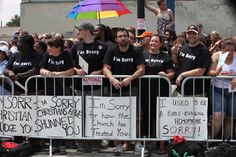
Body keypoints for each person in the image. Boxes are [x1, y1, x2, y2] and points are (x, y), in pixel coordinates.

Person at [103, 28, 148, 156]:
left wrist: (130, 78)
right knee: (116, 117)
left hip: (131, 88)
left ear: (129, 38)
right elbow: (106, 68)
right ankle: (118, 145)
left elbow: (141, 69)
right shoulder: (111, 50)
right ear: (116, 39)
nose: (123, 38)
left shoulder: (136, 51)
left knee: (136, 117)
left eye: (125, 36)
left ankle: (138, 143)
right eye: (120, 36)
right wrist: (112, 79)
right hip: (114, 89)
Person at [71, 22, 107, 153]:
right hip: (79, 87)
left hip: (97, 86)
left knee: (95, 114)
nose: (77, 32)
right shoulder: (76, 46)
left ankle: (95, 142)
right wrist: (76, 70)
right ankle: (82, 142)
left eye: (79, 30)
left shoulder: (102, 46)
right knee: (81, 114)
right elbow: (72, 65)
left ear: (86, 31)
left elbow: (107, 65)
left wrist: (99, 71)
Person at [141, 34, 175, 154]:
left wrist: (166, 75)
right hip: (145, 91)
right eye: (151, 41)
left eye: (156, 42)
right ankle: (145, 145)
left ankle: (162, 146)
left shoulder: (165, 56)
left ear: (160, 44)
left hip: (161, 91)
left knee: (160, 117)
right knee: (146, 117)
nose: (153, 43)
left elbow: (172, 73)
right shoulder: (143, 54)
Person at [207, 38, 236, 139]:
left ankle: (225, 143)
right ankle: (211, 141)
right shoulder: (217, 56)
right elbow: (209, 72)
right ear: (222, 49)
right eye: (227, 50)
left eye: (232, 50)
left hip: (233, 92)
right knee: (218, 116)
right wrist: (216, 72)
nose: (230, 52)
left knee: (230, 118)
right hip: (218, 89)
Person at [171, 24, 211, 96]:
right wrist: (174, 55)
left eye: (194, 33)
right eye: (189, 33)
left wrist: (182, 75)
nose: (191, 36)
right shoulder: (184, 48)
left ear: (198, 35)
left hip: (196, 92)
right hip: (180, 90)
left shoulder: (203, 50)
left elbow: (200, 71)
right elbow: (178, 64)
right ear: (186, 35)